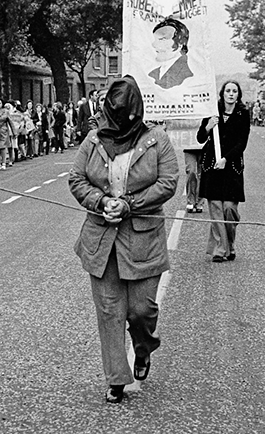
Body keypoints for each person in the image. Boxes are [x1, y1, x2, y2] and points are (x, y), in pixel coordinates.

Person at [68, 75, 178, 404]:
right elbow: (77, 178)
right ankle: (116, 378)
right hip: (102, 241)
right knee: (109, 310)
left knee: (141, 310)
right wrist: (102, 202)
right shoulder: (93, 140)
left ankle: (143, 349)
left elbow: (169, 181)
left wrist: (130, 203)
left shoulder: (157, 139)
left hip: (143, 239)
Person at [196, 80, 251, 262]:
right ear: (222, 93)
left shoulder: (243, 114)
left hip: (231, 165)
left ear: (238, 94)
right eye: (228, 91)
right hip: (212, 165)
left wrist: (226, 159)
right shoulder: (212, 112)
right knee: (216, 208)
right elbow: (200, 138)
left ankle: (230, 243)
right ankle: (220, 249)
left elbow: (241, 143)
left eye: (234, 91)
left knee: (229, 209)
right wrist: (208, 126)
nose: (231, 94)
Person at [148, 18, 193, 89]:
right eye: (155, 39)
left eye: (162, 39)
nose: (154, 44)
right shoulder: (153, 74)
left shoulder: (186, 76)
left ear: (180, 44)